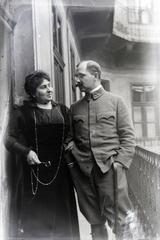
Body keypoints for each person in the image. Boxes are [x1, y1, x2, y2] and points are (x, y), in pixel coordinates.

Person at [4, 70, 80, 240]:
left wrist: (72, 141)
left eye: (49, 85)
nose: (50, 89)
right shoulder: (22, 112)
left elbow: (74, 133)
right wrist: (26, 151)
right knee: (36, 217)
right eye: (43, 87)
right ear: (33, 92)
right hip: (34, 169)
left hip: (60, 169)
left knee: (62, 213)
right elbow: (8, 138)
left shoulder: (62, 110)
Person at [65, 60, 136, 240]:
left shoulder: (116, 102)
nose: (77, 80)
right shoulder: (75, 108)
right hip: (83, 173)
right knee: (95, 221)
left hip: (110, 171)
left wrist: (119, 164)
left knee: (121, 221)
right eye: (76, 76)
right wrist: (71, 160)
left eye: (81, 76)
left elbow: (128, 137)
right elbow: (69, 138)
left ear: (95, 76)